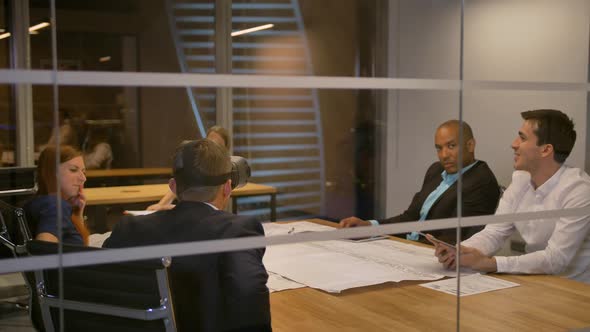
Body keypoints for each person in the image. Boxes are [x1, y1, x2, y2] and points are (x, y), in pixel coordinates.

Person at [103, 139, 271, 331]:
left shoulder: (128, 228)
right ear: (227, 188)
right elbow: (249, 294)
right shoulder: (238, 231)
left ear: (173, 187)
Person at [433, 109, 590, 284]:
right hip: (536, 281)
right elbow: (495, 232)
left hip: (575, 290)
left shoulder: (579, 191)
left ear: (546, 150)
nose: (514, 144)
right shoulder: (521, 179)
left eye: (522, 138)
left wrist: (491, 263)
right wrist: (460, 251)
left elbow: (556, 259)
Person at [340, 120, 501, 244]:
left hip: (432, 260)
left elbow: (453, 239)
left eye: (451, 146)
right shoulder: (436, 170)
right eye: (439, 148)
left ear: (470, 145)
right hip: (408, 247)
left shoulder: (481, 181)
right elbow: (410, 217)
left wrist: (401, 250)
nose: (444, 155)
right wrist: (369, 226)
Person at [146, 125, 230, 211]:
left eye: (218, 144)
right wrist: (161, 205)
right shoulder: (200, 163)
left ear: (226, 148)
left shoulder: (225, 171)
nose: (213, 147)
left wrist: (165, 207)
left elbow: (207, 208)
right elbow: (181, 184)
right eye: (210, 142)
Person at [24, 145, 89, 245]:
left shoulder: (45, 203)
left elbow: (80, 244)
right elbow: (44, 251)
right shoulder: (55, 206)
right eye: (73, 170)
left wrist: (77, 214)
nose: (83, 178)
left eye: (83, 172)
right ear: (51, 173)